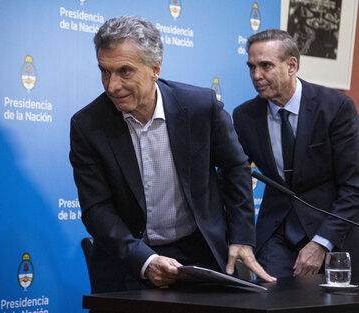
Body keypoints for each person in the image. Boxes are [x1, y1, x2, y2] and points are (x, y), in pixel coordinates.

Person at [69, 16, 275, 293]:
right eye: (105, 71)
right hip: (130, 261)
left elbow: (236, 167)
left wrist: (241, 238)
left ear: (155, 68)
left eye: (124, 71)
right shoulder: (87, 125)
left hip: (200, 255)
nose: (112, 86)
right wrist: (146, 260)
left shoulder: (200, 107)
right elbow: (97, 210)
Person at [233, 29, 359, 278]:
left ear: (291, 65)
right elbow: (234, 178)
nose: (256, 75)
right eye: (251, 67)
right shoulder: (245, 116)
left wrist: (322, 242)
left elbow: (353, 186)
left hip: (331, 229)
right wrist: (238, 236)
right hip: (275, 231)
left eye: (265, 66)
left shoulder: (334, 108)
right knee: (267, 301)